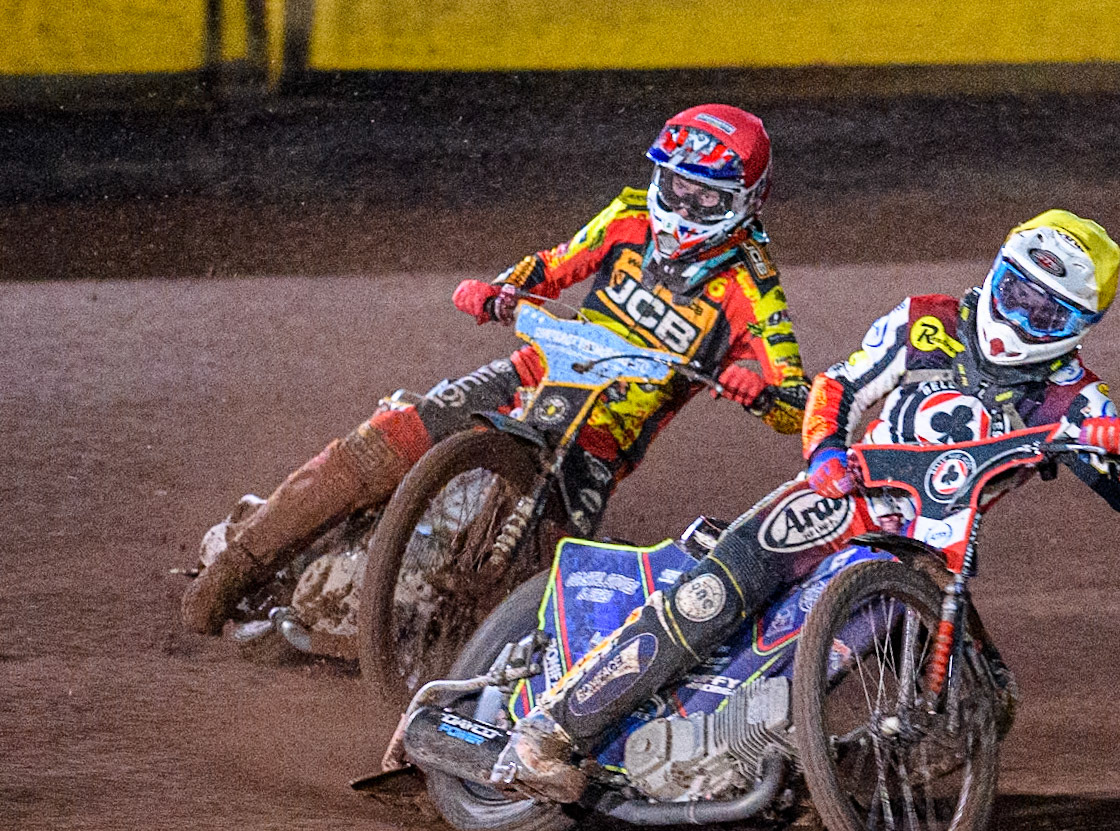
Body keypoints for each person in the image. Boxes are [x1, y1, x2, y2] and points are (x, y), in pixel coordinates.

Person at [490, 208, 1120, 802]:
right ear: (995, 272)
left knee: (985, 700)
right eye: (1013, 291)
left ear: (1078, 325)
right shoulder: (924, 320)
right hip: (847, 498)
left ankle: (823, 786)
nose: (1018, 316)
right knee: (715, 593)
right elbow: (838, 385)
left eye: (1044, 312)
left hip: (934, 553)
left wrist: (1115, 451)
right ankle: (547, 732)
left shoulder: (1079, 398)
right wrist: (824, 455)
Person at [182, 104, 808, 635]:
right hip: (531, 373)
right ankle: (238, 563)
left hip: (596, 442)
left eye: (707, 197)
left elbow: (795, 398)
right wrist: (500, 292)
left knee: (531, 598)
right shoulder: (627, 218)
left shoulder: (754, 289)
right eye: (676, 186)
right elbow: (551, 266)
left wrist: (759, 390)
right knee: (385, 442)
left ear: (748, 202)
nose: (686, 204)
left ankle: (422, 650)